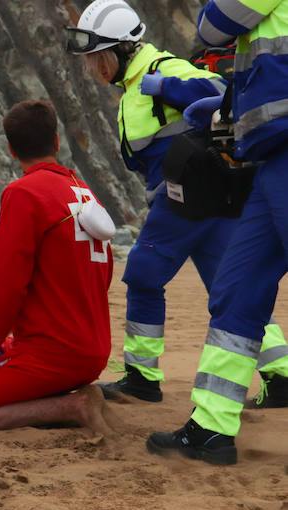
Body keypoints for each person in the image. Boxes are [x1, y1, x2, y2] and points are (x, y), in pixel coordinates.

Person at [65, 0, 288, 404]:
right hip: (202, 202)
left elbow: (218, 91)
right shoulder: (135, 84)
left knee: (143, 274)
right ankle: (281, 373)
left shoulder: (158, 69)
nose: (93, 67)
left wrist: (168, 88)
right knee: (237, 287)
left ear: (121, 50)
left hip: (184, 198)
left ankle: (141, 376)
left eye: (98, 57)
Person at [147, 0, 288, 464]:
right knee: (237, 289)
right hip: (272, 160)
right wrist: (230, 107)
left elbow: (213, 26)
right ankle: (211, 427)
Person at [0, 100, 117, 433]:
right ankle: (69, 398)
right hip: (95, 348)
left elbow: (6, 287)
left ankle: (72, 405)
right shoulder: (82, 190)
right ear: (57, 141)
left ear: (10, 149)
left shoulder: (23, 193)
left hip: (52, 354)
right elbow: (104, 273)